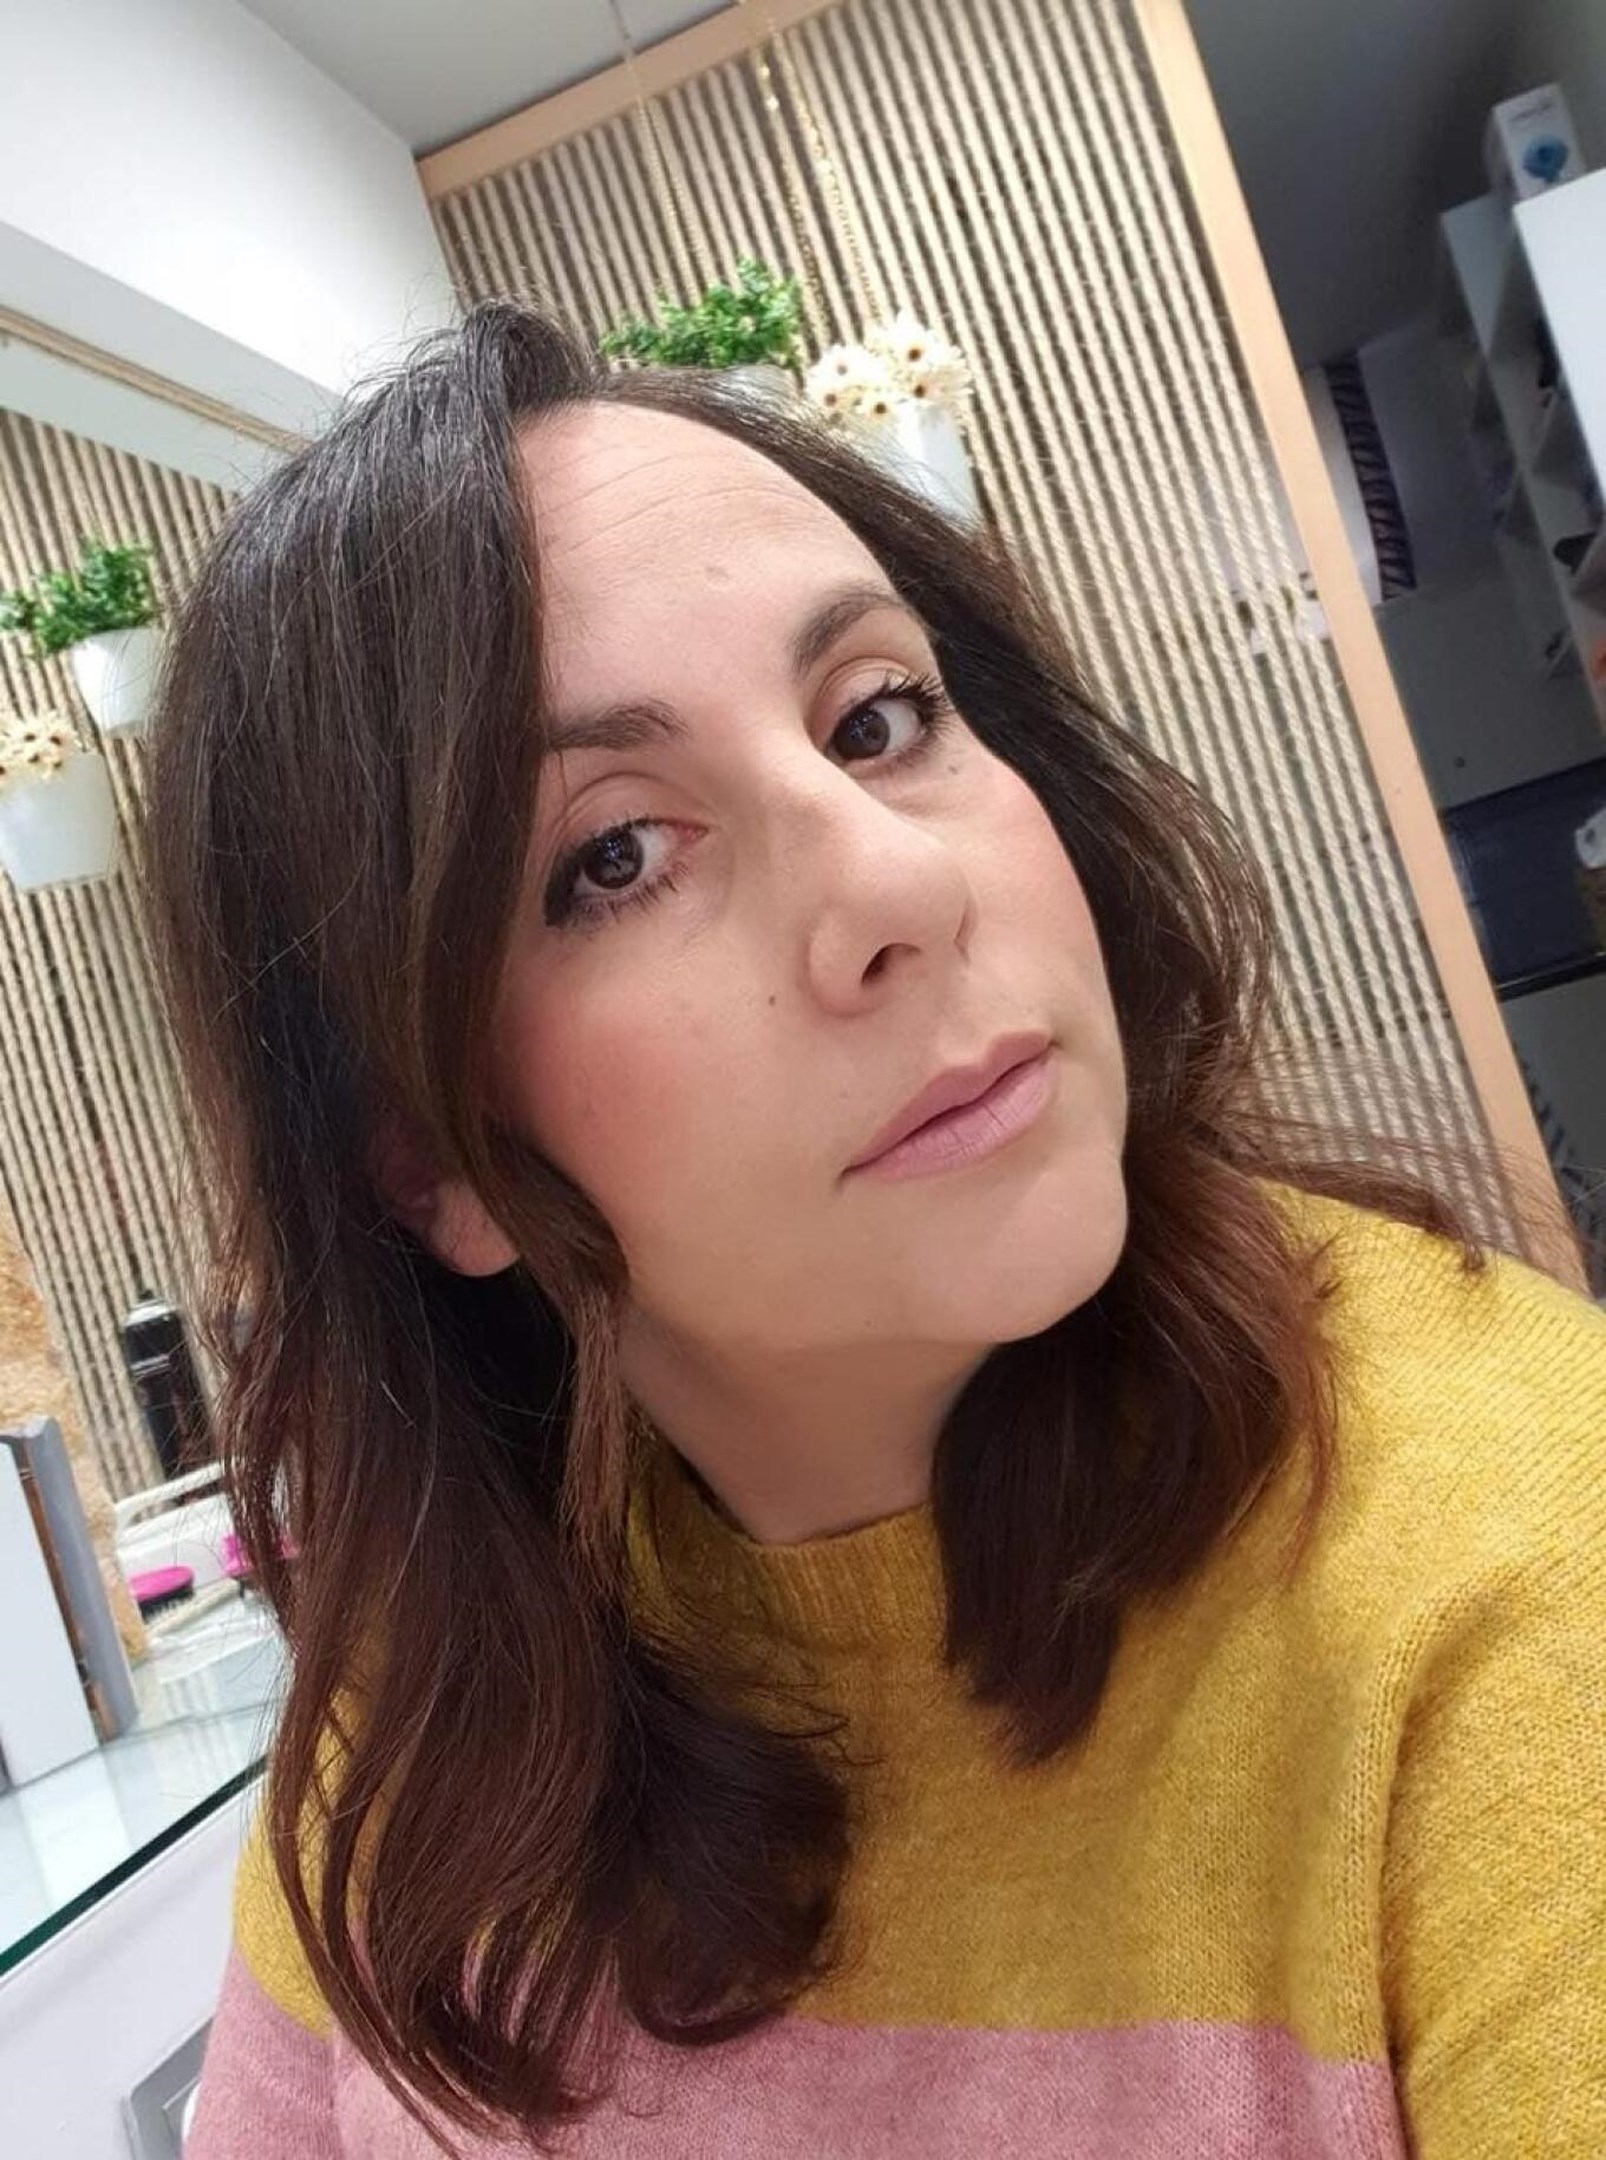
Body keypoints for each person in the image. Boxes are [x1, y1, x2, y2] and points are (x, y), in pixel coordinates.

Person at [151, 300, 1605, 2159]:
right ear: (426, 1160)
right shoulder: (431, 1691)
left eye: (880, 718)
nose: (900, 879)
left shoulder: (1508, 1573)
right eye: (613, 856)